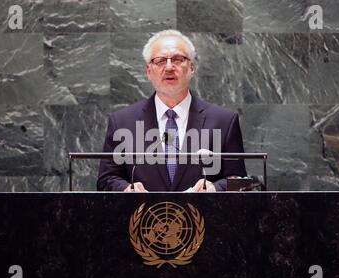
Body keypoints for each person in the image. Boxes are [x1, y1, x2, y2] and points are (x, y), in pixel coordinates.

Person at [97, 30, 246, 192]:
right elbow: (106, 180)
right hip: (144, 216)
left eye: (177, 59)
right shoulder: (122, 122)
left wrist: (215, 188)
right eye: (160, 61)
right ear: (148, 71)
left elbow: (238, 181)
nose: (169, 67)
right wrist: (126, 189)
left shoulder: (224, 122)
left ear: (191, 68)